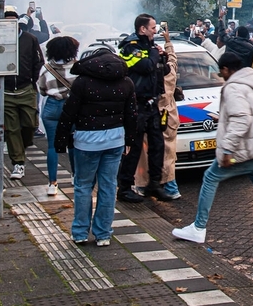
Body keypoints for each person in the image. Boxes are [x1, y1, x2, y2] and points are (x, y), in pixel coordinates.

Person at [172, 52, 253, 243]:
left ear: (225, 69)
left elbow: (242, 119)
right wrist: (222, 117)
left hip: (245, 152)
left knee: (210, 177)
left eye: (220, 72)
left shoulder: (233, 88)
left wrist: (227, 150)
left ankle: (198, 227)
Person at [54, 46, 137, 246]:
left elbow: (69, 113)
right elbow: (132, 114)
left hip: (86, 141)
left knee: (83, 186)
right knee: (108, 186)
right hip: (115, 139)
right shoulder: (126, 82)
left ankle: (80, 232)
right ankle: (103, 234)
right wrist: (130, 141)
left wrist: (60, 141)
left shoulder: (82, 82)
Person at [117, 14, 173, 202]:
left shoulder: (150, 48)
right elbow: (146, 66)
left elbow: (162, 70)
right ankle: (124, 188)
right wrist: (156, 54)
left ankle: (154, 185)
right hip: (136, 104)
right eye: (152, 27)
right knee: (134, 147)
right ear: (142, 29)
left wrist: (161, 57)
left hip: (152, 104)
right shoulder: (130, 47)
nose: (155, 31)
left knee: (157, 145)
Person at [1, 10, 44, 181]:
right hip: (6, 88)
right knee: (11, 129)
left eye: (13, 21)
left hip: (26, 87)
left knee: (29, 123)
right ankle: (18, 162)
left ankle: (23, 145)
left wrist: (34, 81)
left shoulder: (29, 39)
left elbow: (38, 61)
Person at [38, 35, 80, 196]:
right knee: (73, 143)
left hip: (52, 108)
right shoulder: (77, 67)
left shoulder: (46, 68)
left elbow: (41, 89)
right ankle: (75, 176)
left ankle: (52, 183)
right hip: (72, 108)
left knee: (52, 146)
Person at [156, 27, 181, 199]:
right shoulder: (170, 71)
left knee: (163, 153)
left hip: (159, 116)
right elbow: (173, 59)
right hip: (171, 116)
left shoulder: (153, 77)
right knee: (169, 153)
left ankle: (170, 188)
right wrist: (167, 42)